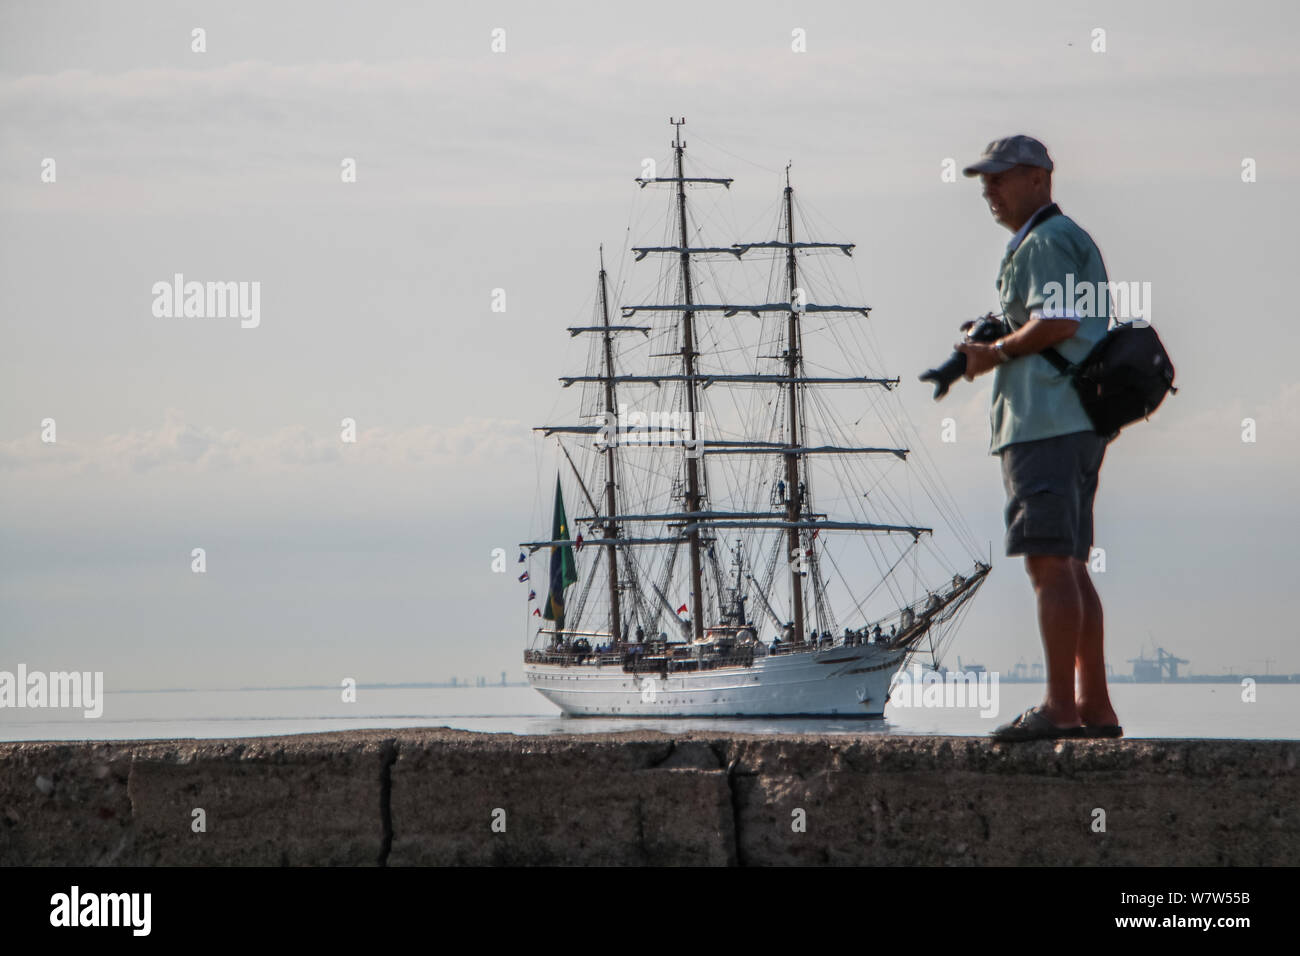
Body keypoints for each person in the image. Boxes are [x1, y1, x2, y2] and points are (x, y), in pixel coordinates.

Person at [956, 134, 1122, 743]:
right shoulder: (1070, 238)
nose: (988, 190)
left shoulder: (1045, 242)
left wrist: (994, 350)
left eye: (999, 178)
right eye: (984, 181)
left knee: (1048, 565)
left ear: (1038, 178)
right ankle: (1094, 706)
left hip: (1044, 421)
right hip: (1078, 420)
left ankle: (1059, 708)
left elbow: (1056, 321)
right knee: (1072, 565)